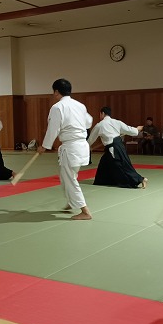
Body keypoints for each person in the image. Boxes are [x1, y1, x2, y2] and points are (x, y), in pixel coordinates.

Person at [37, 78, 93, 220]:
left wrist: (44, 146)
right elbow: (89, 122)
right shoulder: (80, 106)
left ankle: (85, 211)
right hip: (82, 146)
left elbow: (53, 129)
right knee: (66, 177)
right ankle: (72, 202)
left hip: (71, 148)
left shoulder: (57, 107)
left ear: (56, 92)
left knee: (70, 179)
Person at [88, 106, 147, 189]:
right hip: (117, 146)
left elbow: (91, 139)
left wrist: (85, 146)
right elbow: (130, 130)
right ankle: (104, 181)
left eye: (100, 114)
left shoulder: (100, 125)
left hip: (113, 148)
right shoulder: (117, 122)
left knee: (122, 165)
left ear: (102, 114)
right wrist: (137, 129)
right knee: (104, 164)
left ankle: (141, 179)